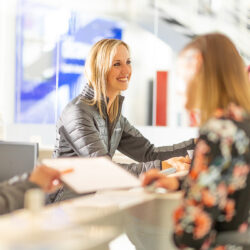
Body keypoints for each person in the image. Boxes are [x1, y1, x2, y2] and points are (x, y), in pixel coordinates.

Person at [142, 33, 250, 249]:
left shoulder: (217, 134)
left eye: (182, 77)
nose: (179, 88)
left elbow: (192, 233)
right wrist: (180, 182)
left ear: (200, 73)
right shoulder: (241, 126)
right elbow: (231, 183)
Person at [52, 38, 195, 202]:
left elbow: (148, 153)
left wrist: (197, 144)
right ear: (99, 69)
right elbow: (104, 170)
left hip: (84, 202)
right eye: (117, 64)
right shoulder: (78, 113)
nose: (126, 70)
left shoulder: (113, 115)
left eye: (128, 62)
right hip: (59, 205)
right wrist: (164, 166)